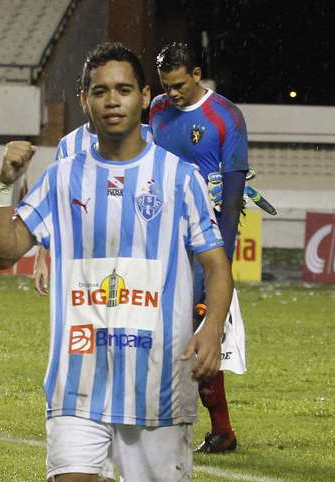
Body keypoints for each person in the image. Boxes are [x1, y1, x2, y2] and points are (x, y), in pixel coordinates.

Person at [0, 42, 233, 482]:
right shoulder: (61, 178)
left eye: (123, 90)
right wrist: (3, 184)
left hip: (155, 376)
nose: (112, 100)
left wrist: (211, 326)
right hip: (79, 372)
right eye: (100, 91)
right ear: (85, 100)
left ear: (144, 97)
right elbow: (2, 253)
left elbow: (216, 265)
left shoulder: (179, 178)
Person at [149, 42, 248, 454]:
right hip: (156, 236)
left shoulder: (226, 117)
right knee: (149, 330)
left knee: (196, 332)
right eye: (165, 86)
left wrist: (219, 264)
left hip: (200, 243)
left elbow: (233, 194)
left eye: (177, 85)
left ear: (196, 73)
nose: (171, 94)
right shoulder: (155, 110)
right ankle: (161, 422)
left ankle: (217, 429)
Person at [32, 97, 152, 296]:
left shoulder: (148, 135)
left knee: (132, 321)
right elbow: (55, 203)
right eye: (97, 92)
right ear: (83, 99)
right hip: (85, 255)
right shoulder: (69, 145)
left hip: (137, 252)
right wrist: (40, 259)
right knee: (88, 324)